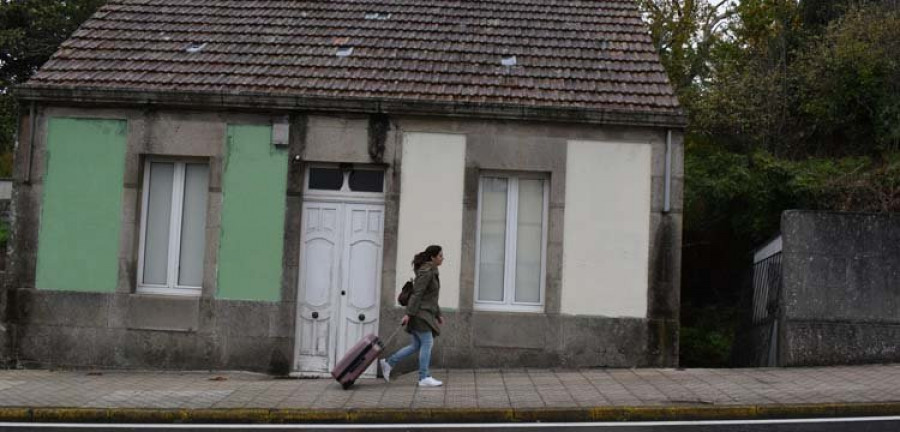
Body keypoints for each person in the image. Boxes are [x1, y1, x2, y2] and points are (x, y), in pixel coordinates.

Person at [380, 245, 445, 387]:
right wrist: (408, 314)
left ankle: (389, 363)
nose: (442, 258)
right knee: (427, 343)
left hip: (424, 312)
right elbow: (417, 294)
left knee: (416, 345)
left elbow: (431, 297)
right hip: (420, 314)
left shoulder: (432, 271)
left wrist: (438, 314)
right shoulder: (427, 272)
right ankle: (423, 377)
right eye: (440, 256)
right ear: (433, 257)